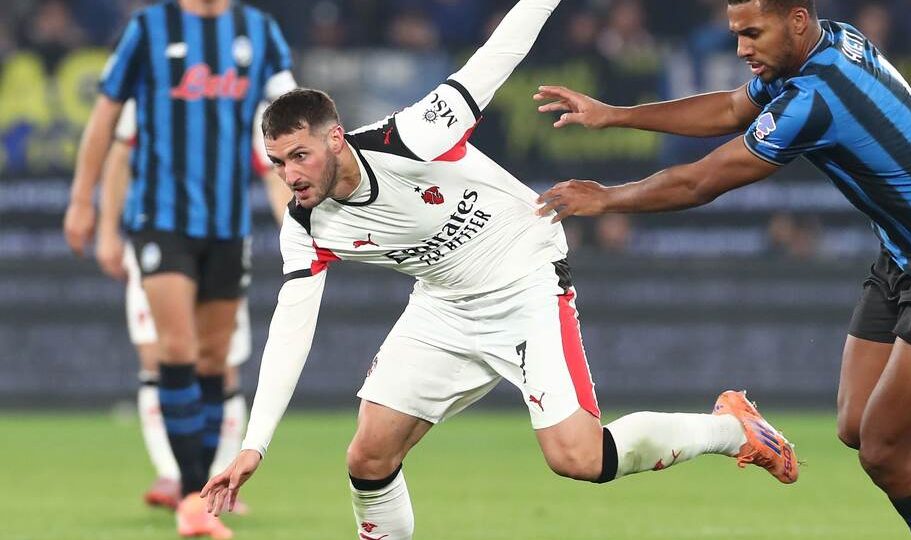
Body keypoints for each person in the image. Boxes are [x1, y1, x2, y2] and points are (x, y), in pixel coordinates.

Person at [200, 2, 799, 539]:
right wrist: (255, 445)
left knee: (577, 458)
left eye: (299, 156)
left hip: (523, 279)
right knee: (368, 457)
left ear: (335, 139)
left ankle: (732, 430)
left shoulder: (412, 137)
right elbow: (292, 327)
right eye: (277, 163)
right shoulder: (306, 224)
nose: (290, 176)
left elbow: (500, 51)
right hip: (444, 302)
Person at [532, 1, 911, 538]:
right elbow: (730, 108)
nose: (741, 48)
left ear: (795, 20)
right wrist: (614, 114)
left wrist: (607, 198)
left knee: (886, 452)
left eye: (752, 33)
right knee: (858, 424)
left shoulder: (816, 97)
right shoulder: (829, 42)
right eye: (737, 34)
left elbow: (702, 181)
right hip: (908, 253)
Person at [62, 0, 296, 536]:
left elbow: (296, 113)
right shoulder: (149, 29)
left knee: (214, 358)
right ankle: (192, 496)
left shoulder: (258, 32)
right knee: (176, 348)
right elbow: (106, 118)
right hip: (160, 220)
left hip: (228, 224)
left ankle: (200, 493)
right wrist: (82, 200)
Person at [94, 101, 283, 511]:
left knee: (219, 360)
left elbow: (274, 170)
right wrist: (107, 230)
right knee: (158, 356)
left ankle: (219, 480)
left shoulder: (245, 93)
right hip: (157, 234)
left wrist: (295, 232)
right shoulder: (149, 90)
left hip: (224, 239)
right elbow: (120, 156)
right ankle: (173, 474)